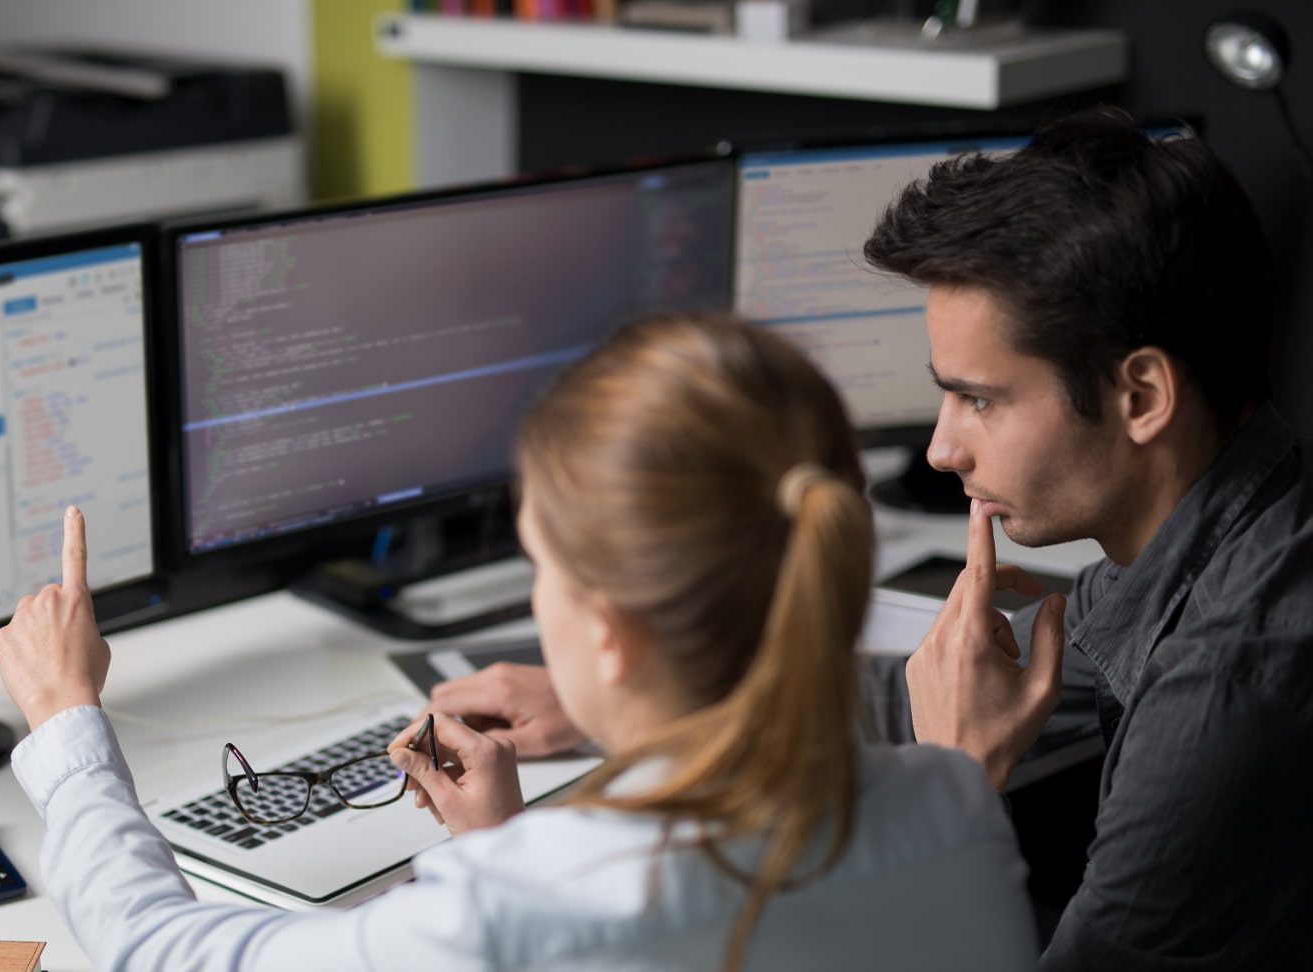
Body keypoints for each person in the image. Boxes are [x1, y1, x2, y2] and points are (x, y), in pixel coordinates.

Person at [430, 110, 1313, 969]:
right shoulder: (1215, 532)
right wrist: (640, 693)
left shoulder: (1230, 685)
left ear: (1142, 398)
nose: (941, 447)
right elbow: (935, 689)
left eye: (980, 399)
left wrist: (953, 779)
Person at [0, 313, 1037, 971]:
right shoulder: (955, 802)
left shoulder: (528, 904)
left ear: (611, 633)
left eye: (542, 565)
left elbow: (159, 949)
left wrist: (65, 718)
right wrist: (500, 850)